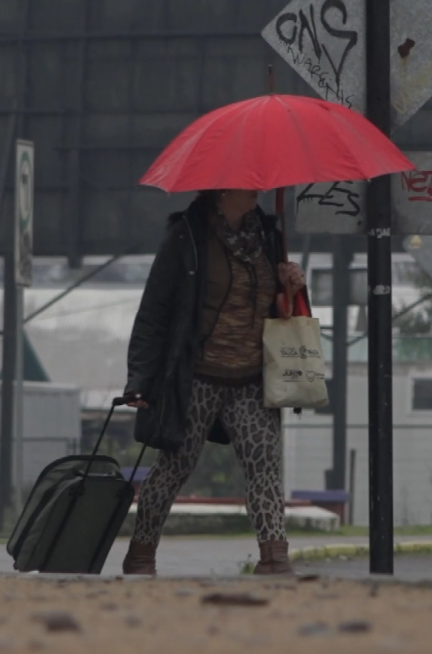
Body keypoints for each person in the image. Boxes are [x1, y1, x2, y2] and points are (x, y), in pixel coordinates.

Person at [121, 188, 307, 575]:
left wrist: (291, 286)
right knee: (175, 466)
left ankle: (274, 556)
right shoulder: (186, 236)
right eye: (246, 182)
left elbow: (282, 311)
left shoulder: (269, 237)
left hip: (251, 379)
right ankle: (141, 553)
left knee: (264, 465)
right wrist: (140, 379)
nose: (256, 188)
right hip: (196, 377)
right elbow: (153, 312)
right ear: (222, 188)